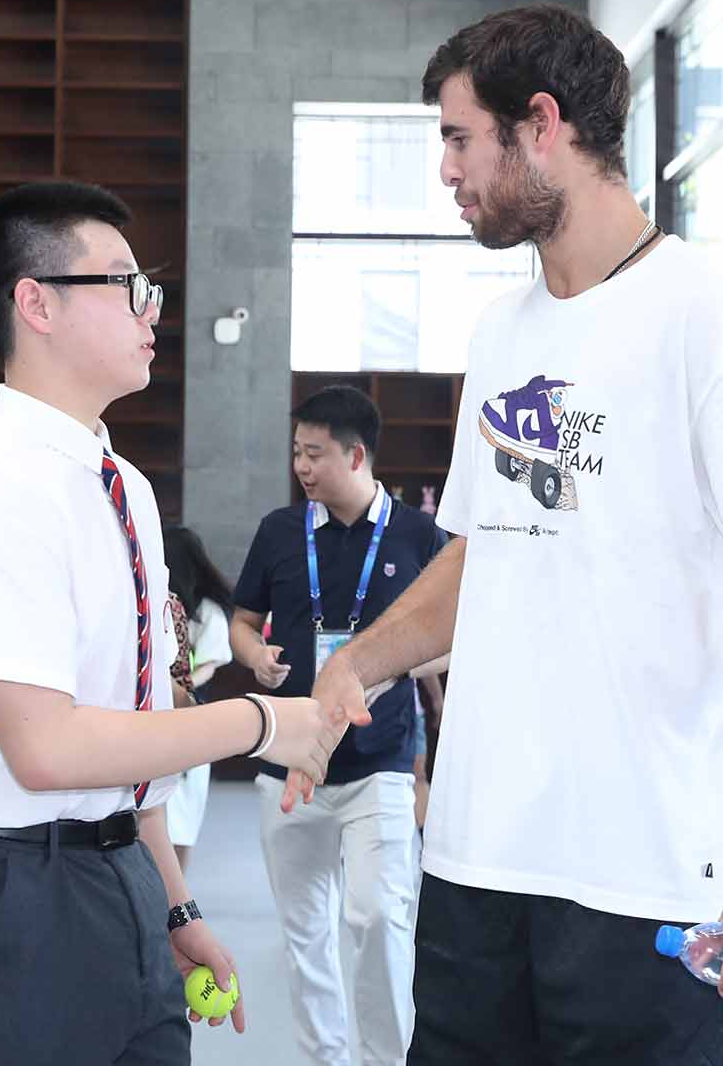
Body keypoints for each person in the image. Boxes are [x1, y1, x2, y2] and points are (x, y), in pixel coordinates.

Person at [290, 5, 723, 1065]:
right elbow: (487, 552)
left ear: (540, 125)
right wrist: (360, 657)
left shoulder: (712, 321)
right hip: (477, 868)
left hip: (652, 885)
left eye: (458, 139)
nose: (446, 172)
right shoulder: (501, 334)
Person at [0, 180, 342, 1066]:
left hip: (112, 871)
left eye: (148, 287)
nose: (149, 309)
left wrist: (172, 902)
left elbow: (131, 725)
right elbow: (44, 751)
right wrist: (262, 722)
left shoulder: (123, 485)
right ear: (36, 303)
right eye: (124, 284)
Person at [230, 384, 452, 1066]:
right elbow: (242, 621)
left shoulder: (419, 536)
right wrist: (255, 655)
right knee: (305, 934)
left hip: (379, 764)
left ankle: (387, 1059)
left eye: (315, 453)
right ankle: (324, 1059)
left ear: (357, 455)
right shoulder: (278, 531)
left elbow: (446, 637)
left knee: (380, 918)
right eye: (297, 452)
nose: (302, 466)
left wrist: (386, 671)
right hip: (288, 767)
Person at [161, 524, 236, 870]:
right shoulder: (151, 603)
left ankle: (177, 898)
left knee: (182, 820)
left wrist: (182, 683)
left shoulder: (207, 612)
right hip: (153, 716)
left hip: (190, 714)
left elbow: (210, 664)